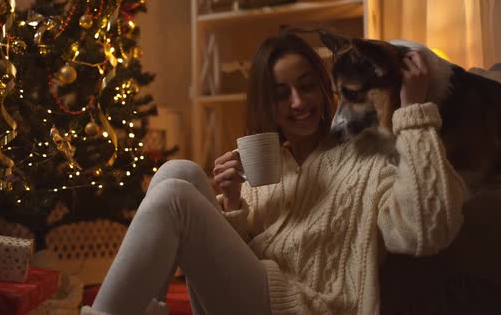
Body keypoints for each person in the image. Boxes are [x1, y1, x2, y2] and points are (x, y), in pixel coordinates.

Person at [81, 30, 465, 315]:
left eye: (307, 87)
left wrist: (412, 113)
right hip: (258, 294)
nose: (298, 103)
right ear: (268, 103)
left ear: (326, 88)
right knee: (176, 172)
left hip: (303, 307)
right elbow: (231, 266)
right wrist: (232, 203)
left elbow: (427, 230)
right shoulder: (266, 163)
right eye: (282, 94)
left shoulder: (366, 158)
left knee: (174, 199)